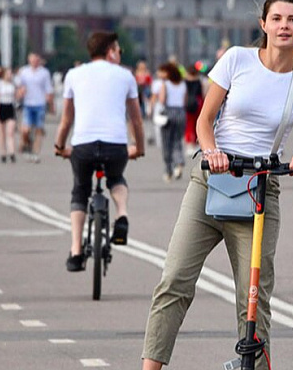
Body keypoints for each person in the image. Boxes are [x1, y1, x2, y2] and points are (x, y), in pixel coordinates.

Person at [115, 0, 293, 370]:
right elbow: (203, 120)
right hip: (212, 181)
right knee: (174, 279)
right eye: (276, 18)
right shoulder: (236, 59)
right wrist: (212, 150)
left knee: (252, 299)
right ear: (264, 24)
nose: (284, 26)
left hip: (260, 188)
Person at [53, 32, 144, 272]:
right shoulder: (126, 76)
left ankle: (75, 251)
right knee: (116, 178)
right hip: (115, 145)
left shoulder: (73, 75)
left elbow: (65, 120)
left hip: (82, 145)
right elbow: (136, 121)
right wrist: (139, 149)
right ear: (110, 51)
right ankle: (122, 214)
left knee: (80, 189)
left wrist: (60, 147)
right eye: (118, 50)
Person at [152, 62, 188, 181]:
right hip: (181, 113)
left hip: (169, 113)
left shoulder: (165, 84)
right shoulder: (183, 84)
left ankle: (168, 170)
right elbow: (185, 100)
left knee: (167, 142)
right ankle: (179, 163)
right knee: (178, 140)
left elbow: (162, 100)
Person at [15, 53, 54, 162]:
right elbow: (19, 86)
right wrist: (19, 93)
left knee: (38, 129)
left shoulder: (44, 73)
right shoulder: (24, 71)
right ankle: (27, 144)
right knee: (25, 130)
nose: (34, 62)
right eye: (32, 60)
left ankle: (36, 153)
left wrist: (51, 105)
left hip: (40, 103)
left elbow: (48, 89)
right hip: (27, 103)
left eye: (36, 59)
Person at [0, 67, 19, 163]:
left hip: (10, 107)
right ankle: (3, 152)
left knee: (10, 132)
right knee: (1, 133)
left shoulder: (13, 84)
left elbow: (16, 97)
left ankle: (11, 152)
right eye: (8, 73)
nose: (10, 75)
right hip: (1, 107)